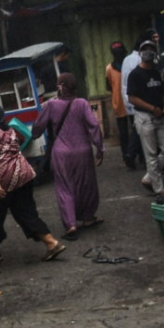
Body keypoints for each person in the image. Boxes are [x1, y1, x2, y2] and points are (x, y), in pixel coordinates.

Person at [0, 98, 67, 263]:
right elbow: (5, 150)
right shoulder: (7, 128)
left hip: (4, 178)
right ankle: (52, 243)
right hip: (23, 173)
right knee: (25, 211)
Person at [31, 73, 104, 239]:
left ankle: (70, 224)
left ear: (60, 87)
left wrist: (34, 135)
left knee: (65, 187)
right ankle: (87, 218)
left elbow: (37, 128)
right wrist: (99, 148)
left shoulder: (51, 105)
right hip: (83, 152)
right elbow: (94, 126)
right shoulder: (82, 103)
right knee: (86, 185)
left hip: (61, 153)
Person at [127, 41, 164, 197]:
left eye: (151, 49)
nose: (148, 52)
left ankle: (149, 177)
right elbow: (132, 98)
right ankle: (159, 189)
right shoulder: (135, 74)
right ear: (140, 53)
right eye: (145, 49)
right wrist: (151, 108)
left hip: (160, 117)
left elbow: (158, 93)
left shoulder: (156, 72)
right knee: (151, 154)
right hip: (145, 117)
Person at [120, 28, 159, 168]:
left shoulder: (127, 59)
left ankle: (133, 156)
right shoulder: (139, 61)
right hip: (139, 101)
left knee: (137, 130)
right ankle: (132, 155)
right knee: (140, 131)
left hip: (129, 100)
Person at [105, 41, 133, 170]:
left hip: (125, 102)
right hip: (127, 102)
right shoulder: (114, 68)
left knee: (127, 133)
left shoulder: (110, 68)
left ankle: (129, 157)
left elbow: (108, 86)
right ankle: (131, 156)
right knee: (131, 132)